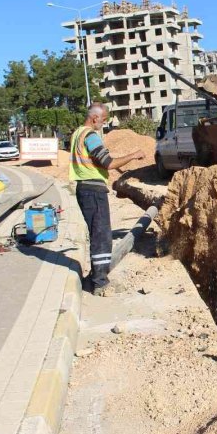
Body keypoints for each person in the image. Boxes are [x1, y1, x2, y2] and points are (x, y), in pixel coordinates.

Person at [70, 103, 145, 295]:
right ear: (95, 118)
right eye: (103, 120)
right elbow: (108, 163)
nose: (103, 123)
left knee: (98, 233)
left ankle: (97, 275)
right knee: (102, 235)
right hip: (93, 190)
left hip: (84, 188)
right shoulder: (91, 136)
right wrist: (133, 156)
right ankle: (100, 282)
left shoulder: (77, 133)